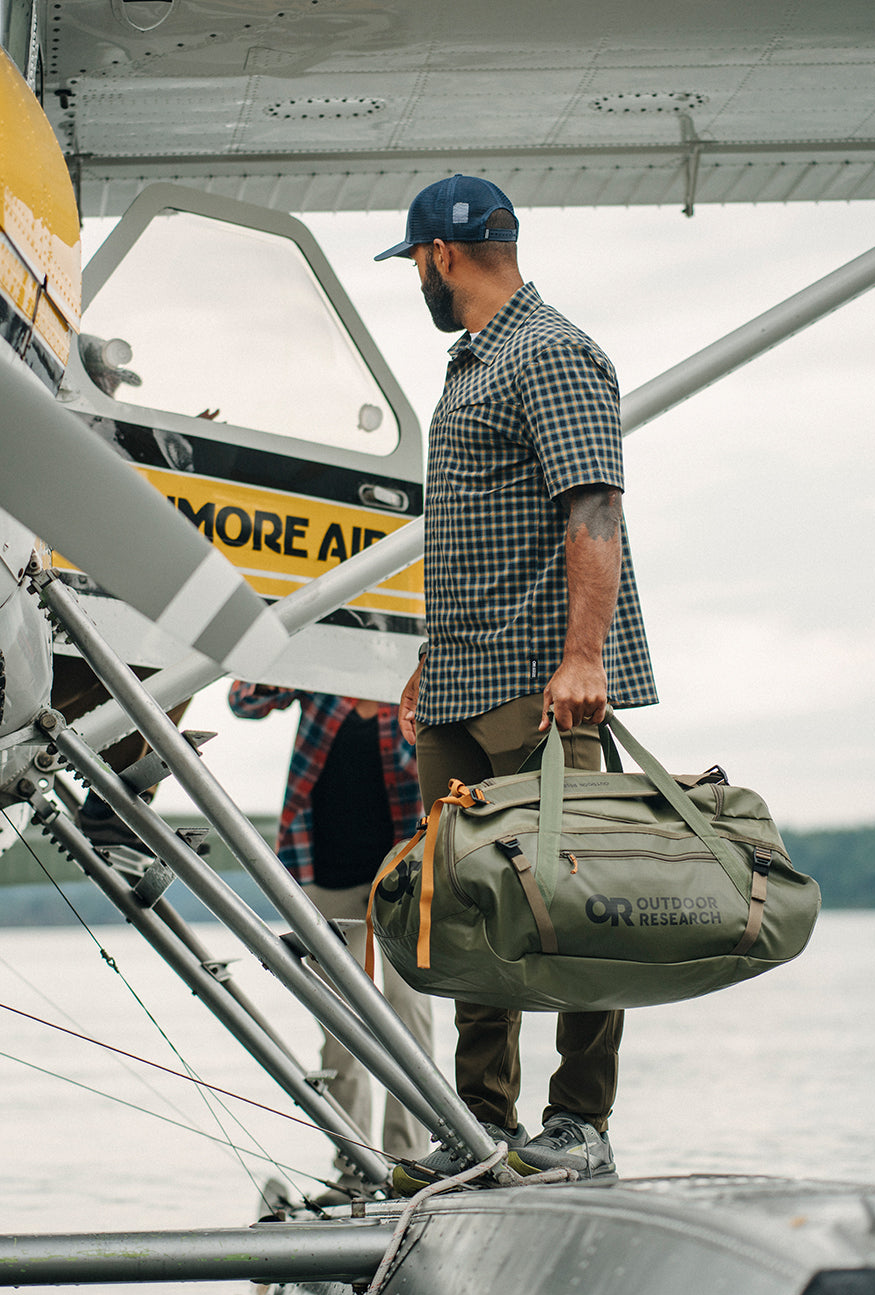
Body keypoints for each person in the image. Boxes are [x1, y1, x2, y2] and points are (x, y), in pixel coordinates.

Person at [376, 175, 658, 1194]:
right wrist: (430, 652)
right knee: (463, 908)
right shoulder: (469, 365)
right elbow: (480, 530)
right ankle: (476, 1124)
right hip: (459, 680)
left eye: (412, 260)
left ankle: (579, 1121)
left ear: (440, 256)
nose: (415, 275)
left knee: (575, 898)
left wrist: (584, 659)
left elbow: (593, 510)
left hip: (537, 686)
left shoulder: (554, 350)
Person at [227, 683, 433, 1190]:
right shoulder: (321, 679)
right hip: (323, 877)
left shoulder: (414, 688)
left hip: (399, 881)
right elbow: (242, 700)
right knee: (341, 1033)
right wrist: (295, 652)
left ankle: (411, 1161)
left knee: (407, 1016)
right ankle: (356, 1169)